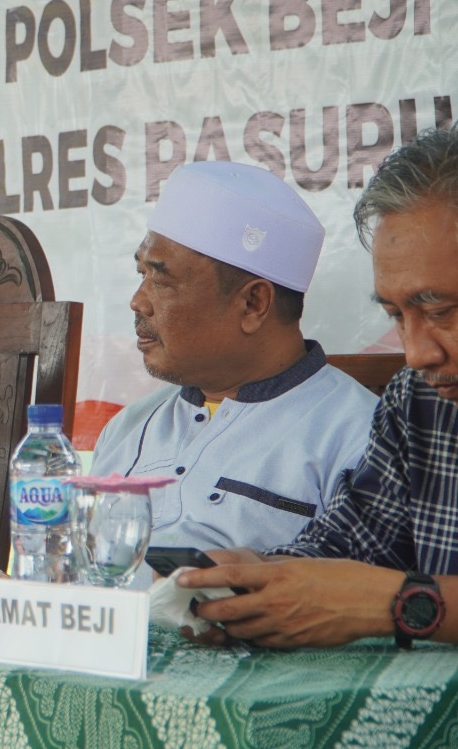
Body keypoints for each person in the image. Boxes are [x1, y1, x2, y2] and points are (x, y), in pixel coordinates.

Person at [182, 127, 458, 649]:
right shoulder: (417, 402)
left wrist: (393, 603)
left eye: (440, 311)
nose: (419, 353)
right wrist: (261, 575)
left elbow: (366, 590)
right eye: (398, 316)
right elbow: (353, 544)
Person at [91, 162, 376, 557]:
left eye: (160, 279)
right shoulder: (126, 430)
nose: (138, 301)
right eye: (141, 273)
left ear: (252, 303)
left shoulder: (359, 438)